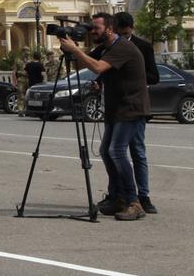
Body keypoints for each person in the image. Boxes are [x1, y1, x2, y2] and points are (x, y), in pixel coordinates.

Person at [60, 16, 150, 221]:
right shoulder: (108, 48)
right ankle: (118, 197)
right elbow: (89, 66)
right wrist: (70, 48)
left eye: (96, 28)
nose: (92, 31)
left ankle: (134, 202)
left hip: (131, 108)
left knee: (116, 151)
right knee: (106, 151)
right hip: (116, 109)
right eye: (91, 28)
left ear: (110, 29)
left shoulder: (122, 47)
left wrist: (75, 49)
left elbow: (98, 67)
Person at [114, 11, 159, 215]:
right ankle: (119, 194)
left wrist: (134, 76)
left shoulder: (143, 47)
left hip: (136, 106)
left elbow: (154, 76)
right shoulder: (112, 46)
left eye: (125, 33)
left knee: (138, 152)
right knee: (115, 152)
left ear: (131, 28)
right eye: (119, 34)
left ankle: (144, 195)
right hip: (118, 106)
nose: (123, 37)